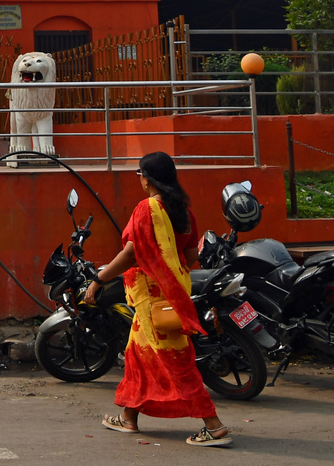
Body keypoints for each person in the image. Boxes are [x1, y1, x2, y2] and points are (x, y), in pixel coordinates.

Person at [85, 151, 232, 448]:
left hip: (153, 299)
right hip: (168, 295)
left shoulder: (147, 209)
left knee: (176, 361)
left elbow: (130, 254)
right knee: (138, 355)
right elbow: (191, 257)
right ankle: (128, 417)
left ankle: (213, 426)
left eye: (139, 174)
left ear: (147, 178)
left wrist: (98, 281)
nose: (138, 179)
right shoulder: (184, 211)